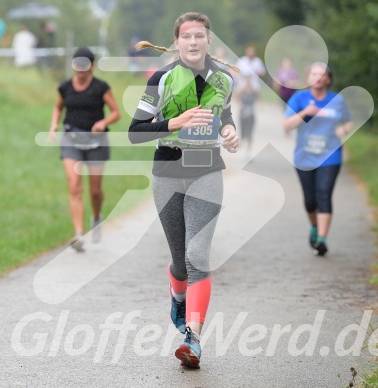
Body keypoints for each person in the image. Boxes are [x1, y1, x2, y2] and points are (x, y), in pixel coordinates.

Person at [128, 12, 239, 368]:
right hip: (168, 171)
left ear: (209, 41)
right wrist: (173, 122)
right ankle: (178, 294)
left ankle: (192, 338)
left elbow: (226, 116)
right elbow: (135, 131)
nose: (193, 42)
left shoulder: (224, 79)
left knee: (198, 256)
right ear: (176, 42)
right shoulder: (160, 79)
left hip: (206, 170)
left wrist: (230, 132)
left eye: (200, 36)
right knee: (180, 260)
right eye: (186, 36)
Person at [48, 47, 121, 252]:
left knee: (95, 191)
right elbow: (58, 107)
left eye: (84, 66)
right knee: (74, 186)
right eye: (77, 66)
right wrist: (53, 124)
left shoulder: (101, 88)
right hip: (71, 139)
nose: (80, 70)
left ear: (92, 67)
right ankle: (78, 233)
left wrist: (103, 122)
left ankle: (96, 217)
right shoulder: (65, 88)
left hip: (96, 142)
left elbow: (116, 113)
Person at [283, 62, 353, 256]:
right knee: (310, 201)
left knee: (324, 194)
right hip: (304, 156)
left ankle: (322, 239)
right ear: (308, 78)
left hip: (330, 155)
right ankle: (314, 227)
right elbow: (287, 125)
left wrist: (343, 129)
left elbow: (348, 121)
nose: (319, 77)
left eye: (323, 74)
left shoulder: (337, 100)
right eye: (314, 73)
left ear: (328, 79)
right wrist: (305, 112)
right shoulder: (299, 98)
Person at [234, 73, 258, 159]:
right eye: (246, 79)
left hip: (251, 115)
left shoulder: (254, 90)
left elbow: (258, 99)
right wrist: (239, 104)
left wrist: (260, 105)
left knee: (249, 133)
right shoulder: (241, 90)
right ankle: (241, 148)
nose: (248, 81)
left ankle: (248, 152)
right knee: (242, 132)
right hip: (242, 114)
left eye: (249, 79)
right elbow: (235, 98)